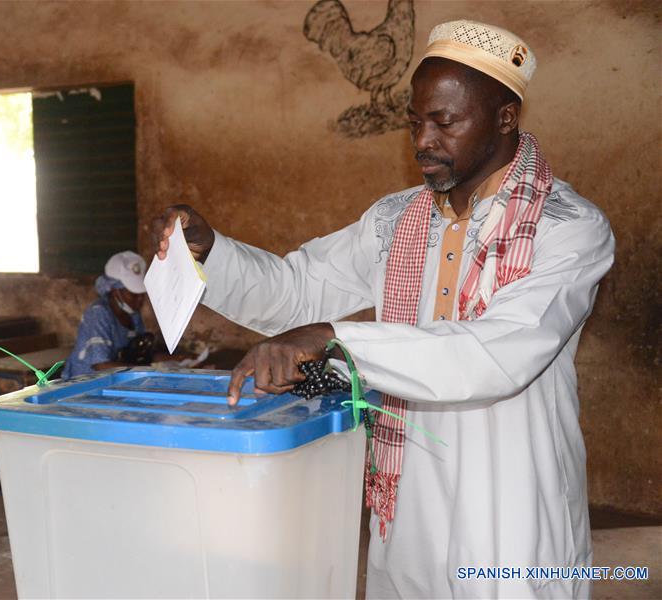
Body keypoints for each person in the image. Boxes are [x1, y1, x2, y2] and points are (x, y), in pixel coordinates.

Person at [152, 20, 614, 599]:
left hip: (513, 500)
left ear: (504, 118)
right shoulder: (397, 219)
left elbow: (494, 354)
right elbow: (298, 290)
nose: (423, 141)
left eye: (445, 122)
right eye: (415, 122)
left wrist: (336, 339)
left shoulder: (569, 228)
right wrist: (212, 253)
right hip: (408, 490)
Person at [62, 251, 151, 379]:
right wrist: (146, 371)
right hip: (86, 385)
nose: (141, 299)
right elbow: (101, 365)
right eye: (134, 294)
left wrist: (181, 359)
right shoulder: (98, 313)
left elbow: (143, 353)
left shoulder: (133, 315)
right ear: (115, 291)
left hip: (115, 381)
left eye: (142, 294)